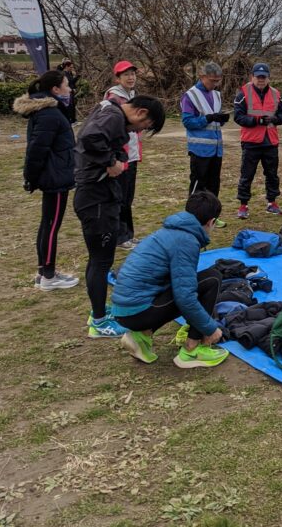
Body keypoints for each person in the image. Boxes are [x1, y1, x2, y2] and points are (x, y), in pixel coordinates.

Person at [74, 92, 165, 337]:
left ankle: (99, 309)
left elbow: (113, 145)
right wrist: (110, 162)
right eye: (146, 126)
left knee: (101, 260)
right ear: (141, 113)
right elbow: (89, 138)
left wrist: (118, 158)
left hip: (100, 197)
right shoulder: (113, 116)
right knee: (101, 261)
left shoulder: (111, 113)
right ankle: (99, 321)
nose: (142, 130)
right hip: (96, 200)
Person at [112, 190, 229, 370]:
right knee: (212, 279)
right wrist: (210, 328)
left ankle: (141, 337)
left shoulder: (170, 230)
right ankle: (192, 349)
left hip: (123, 310)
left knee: (188, 285)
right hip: (137, 311)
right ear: (211, 222)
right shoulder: (187, 241)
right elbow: (185, 297)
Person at [13, 69, 78, 290]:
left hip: (54, 174)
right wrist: (30, 177)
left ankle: (44, 272)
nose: (70, 89)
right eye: (67, 85)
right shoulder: (49, 114)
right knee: (51, 227)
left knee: (47, 225)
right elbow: (37, 150)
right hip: (55, 177)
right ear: (55, 89)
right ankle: (49, 276)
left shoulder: (49, 110)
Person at [233, 62, 282, 219]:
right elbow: (238, 116)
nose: (261, 80)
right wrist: (257, 121)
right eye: (258, 77)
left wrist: (274, 119)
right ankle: (243, 205)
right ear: (252, 77)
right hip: (251, 141)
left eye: (264, 77)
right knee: (247, 174)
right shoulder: (243, 93)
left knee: (272, 174)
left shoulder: (276, 94)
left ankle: (272, 202)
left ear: (269, 78)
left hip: (270, 141)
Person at [181, 62, 229, 226]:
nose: (215, 84)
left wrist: (221, 119)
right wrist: (208, 118)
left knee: (213, 185)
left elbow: (215, 121)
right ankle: (191, 219)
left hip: (216, 149)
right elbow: (188, 122)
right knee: (198, 186)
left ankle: (211, 218)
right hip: (199, 149)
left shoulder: (216, 95)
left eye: (217, 81)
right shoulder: (191, 95)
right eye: (212, 80)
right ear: (202, 77)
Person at [104, 60, 142, 249]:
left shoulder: (132, 96)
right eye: (126, 74)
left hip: (132, 154)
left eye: (133, 74)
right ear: (117, 78)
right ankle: (120, 236)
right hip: (121, 155)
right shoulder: (114, 98)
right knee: (120, 197)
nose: (130, 77)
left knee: (128, 197)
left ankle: (128, 234)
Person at [57, 59, 79, 124]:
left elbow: (72, 82)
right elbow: (68, 82)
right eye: (70, 67)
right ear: (66, 66)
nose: (71, 68)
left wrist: (76, 79)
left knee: (72, 105)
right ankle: (69, 120)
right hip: (67, 92)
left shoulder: (70, 73)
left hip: (71, 91)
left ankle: (73, 120)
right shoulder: (64, 74)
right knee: (69, 106)